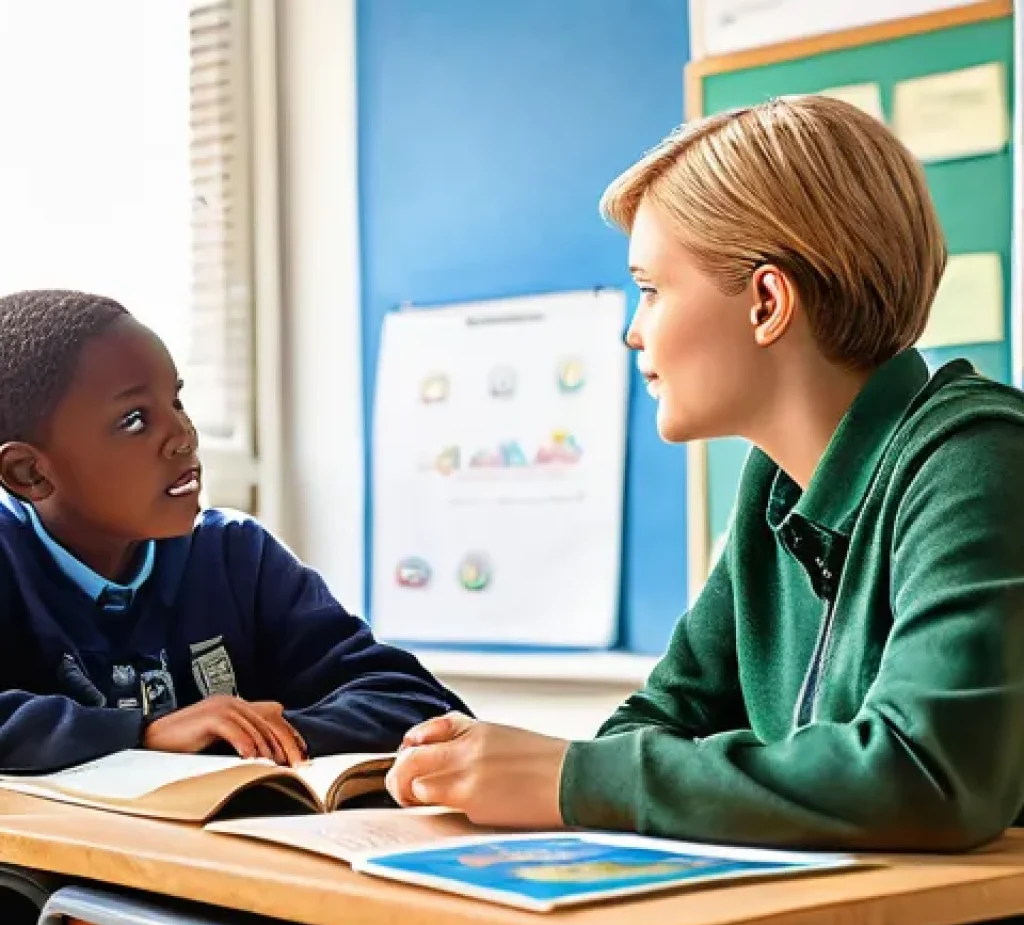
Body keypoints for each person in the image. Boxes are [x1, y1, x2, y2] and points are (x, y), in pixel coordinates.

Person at [385, 96, 1024, 852]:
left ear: (765, 301)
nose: (631, 329)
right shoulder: (777, 488)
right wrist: (549, 771)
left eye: (651, 289)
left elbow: (925, 773)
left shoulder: (978, 459)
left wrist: (567, 778)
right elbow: (656, 725)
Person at [0, 289, 471, 773]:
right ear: (28, 473)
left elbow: (418, 704)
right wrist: (143, 734)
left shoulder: (235, 556)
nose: (184, 435)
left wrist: (252, 737)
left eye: (177, 401)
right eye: (135, 420)